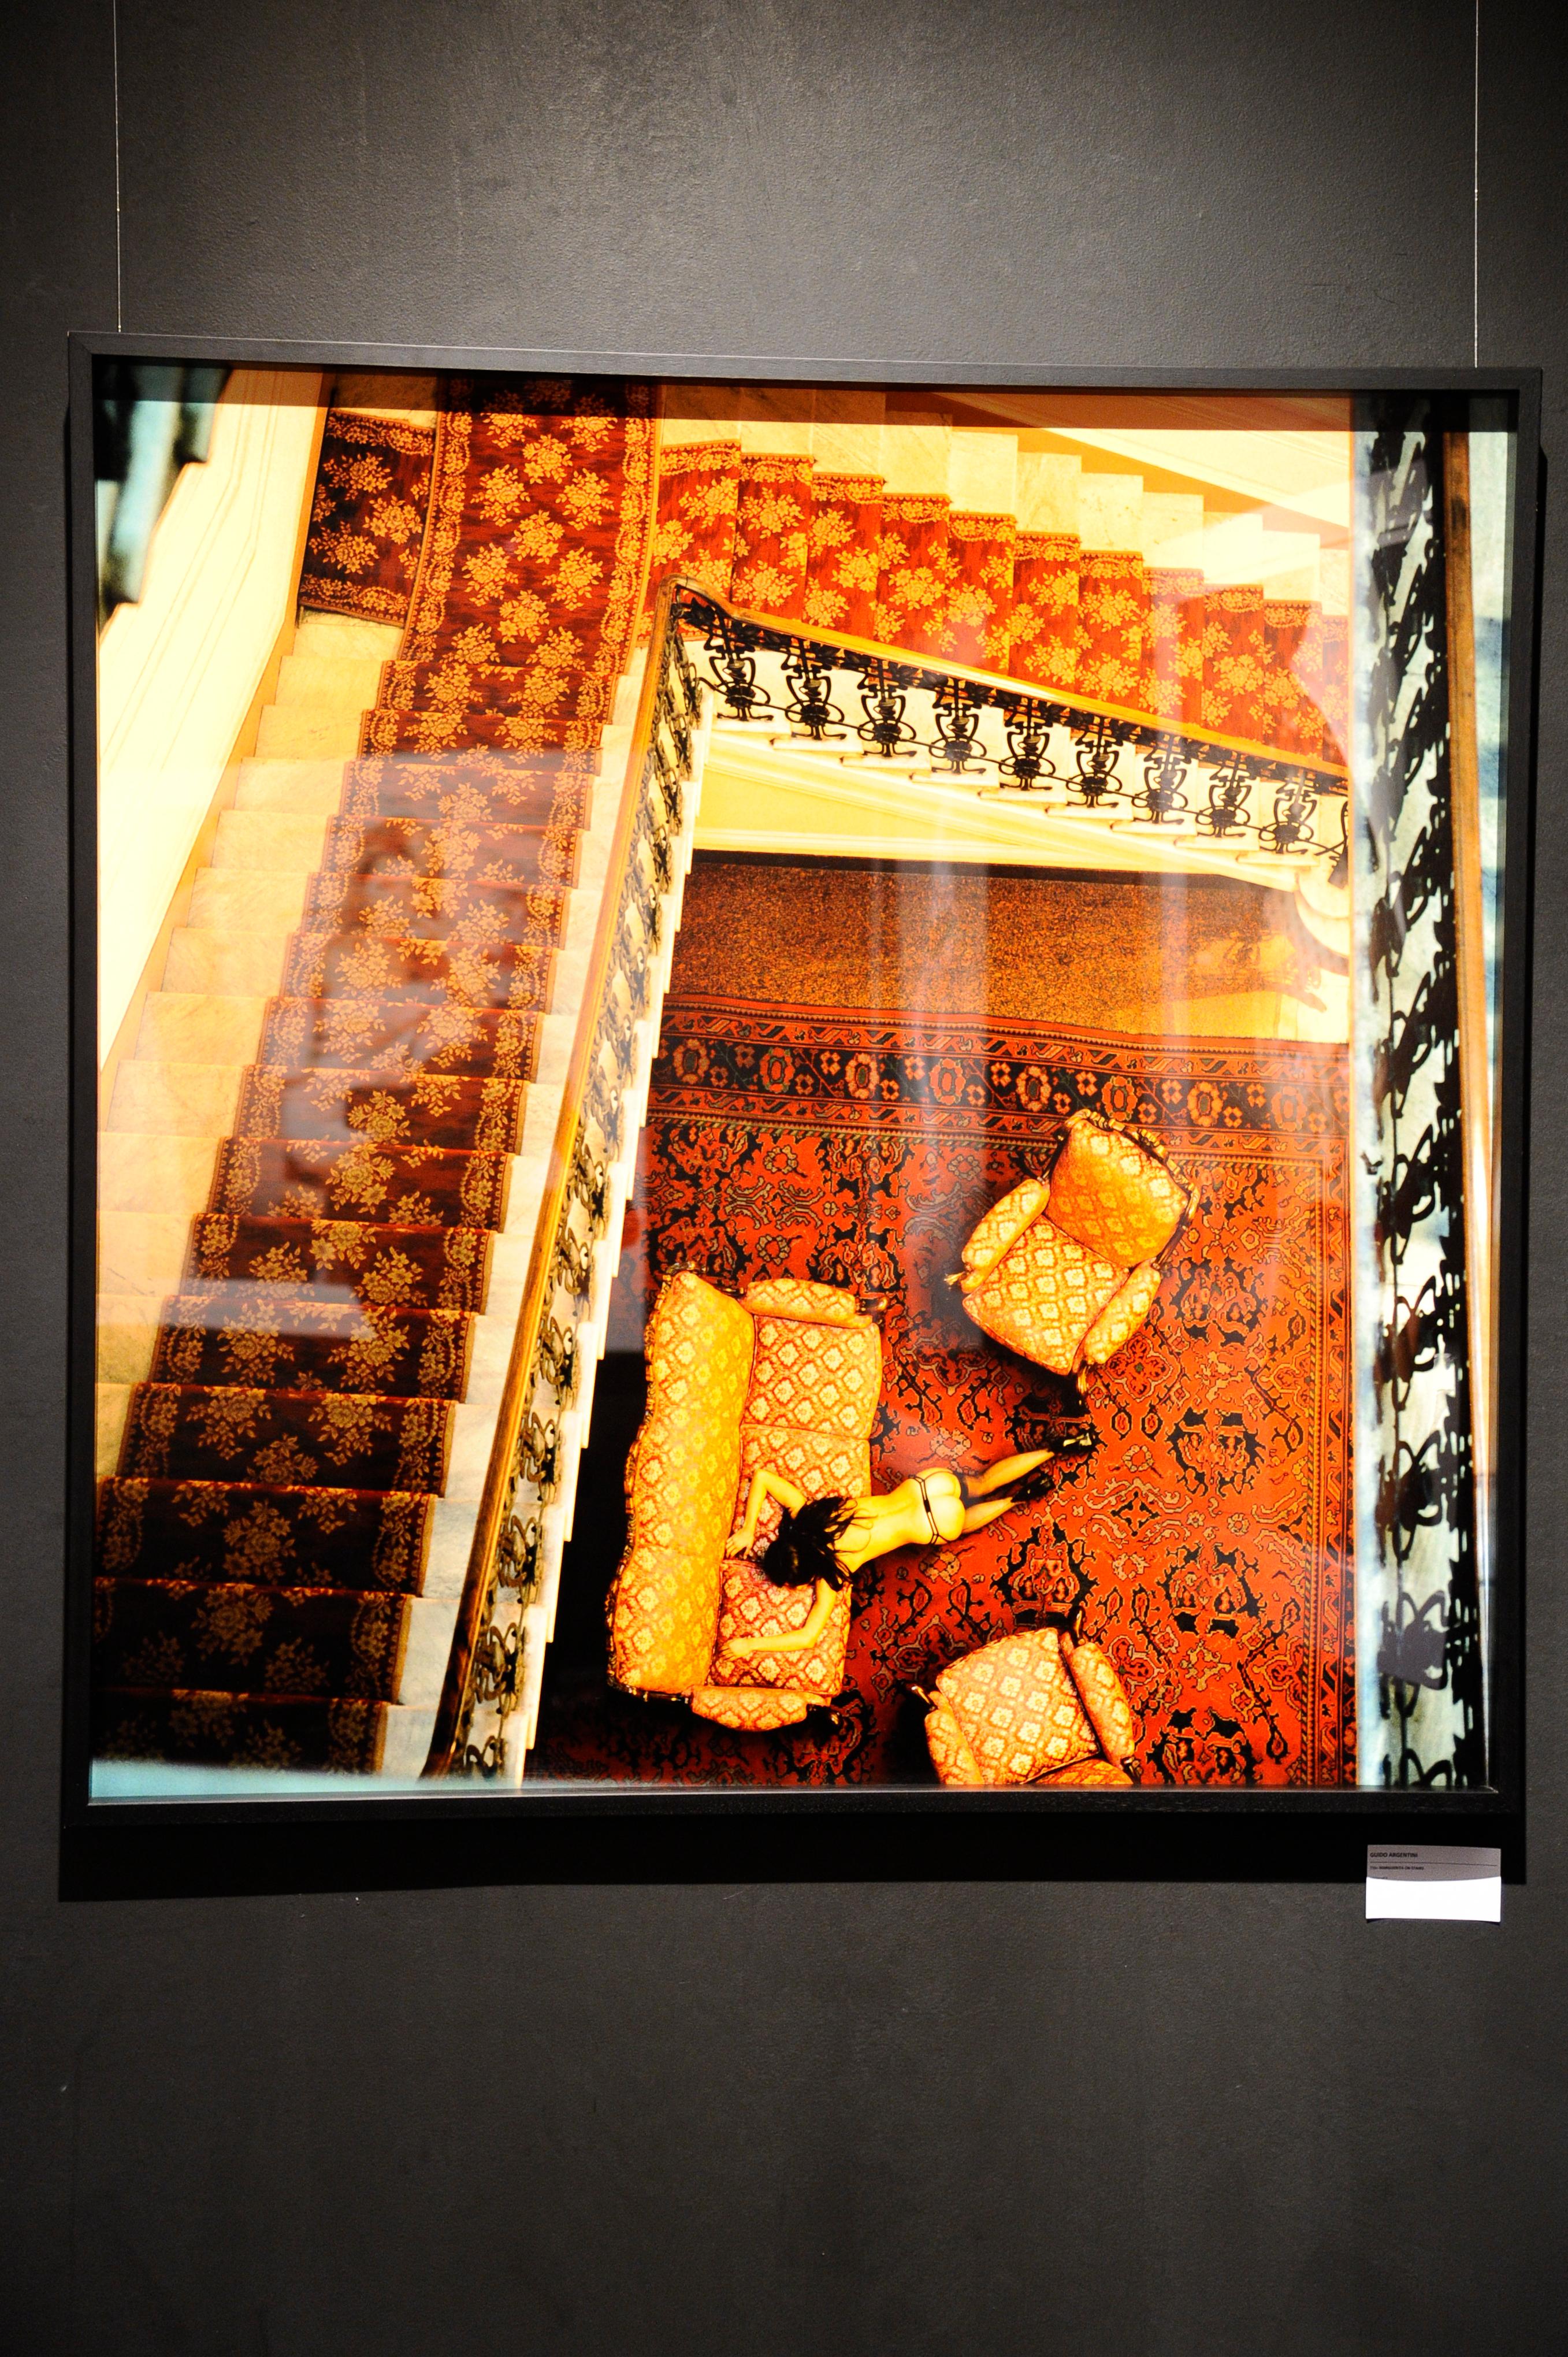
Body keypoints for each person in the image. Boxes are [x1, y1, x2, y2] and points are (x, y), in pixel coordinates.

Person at [722, 1435, 1094, 1659]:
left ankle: (1016, 1501)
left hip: (934, 1524)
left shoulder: (835, 1572)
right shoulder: (812, 1514)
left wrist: (750, 1646)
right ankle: (1052, 1449)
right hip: (925, 1486)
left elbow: (808, 1636)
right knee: (980, 1482)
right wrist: (747, 1529)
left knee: (963, 1525)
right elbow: (765, 1478)